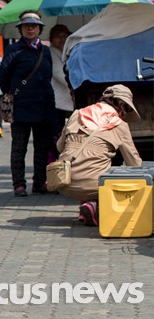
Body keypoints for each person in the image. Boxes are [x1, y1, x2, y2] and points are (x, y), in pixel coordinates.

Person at [58, 85, 142, 226]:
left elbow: (60, 147)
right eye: (127, 109)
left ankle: (87, 205)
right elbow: (133, 163)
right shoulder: (119, 124)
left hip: (64, 181)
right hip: (94, 185)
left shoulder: (77, 114)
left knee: (90, 164)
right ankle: (96, 206)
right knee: (112, 170)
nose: (125, 114)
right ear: (121, 105)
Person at [0, 11, 56, 197]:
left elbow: (48, 75)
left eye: (34, 25)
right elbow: (3, 77)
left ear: (40, 29)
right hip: (21, 106)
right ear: (20, 29)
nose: (30, 28)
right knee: (19, 148)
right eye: (26, 25)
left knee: (42, 147)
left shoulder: (46, 51)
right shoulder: (13, 50)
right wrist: (14, 94)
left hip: (44, 105)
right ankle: (19, 184)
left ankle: (39, 182)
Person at [48, 24, 74, 160]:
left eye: (65, 36)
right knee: (58, 135)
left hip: (66, 101)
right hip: (57, 102)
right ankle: (57, 163)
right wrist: (77, 82)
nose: (62, 39)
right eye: (58, 36)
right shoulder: (52, 53)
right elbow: (60, 75)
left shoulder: (67, 53)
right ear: (51, 39)